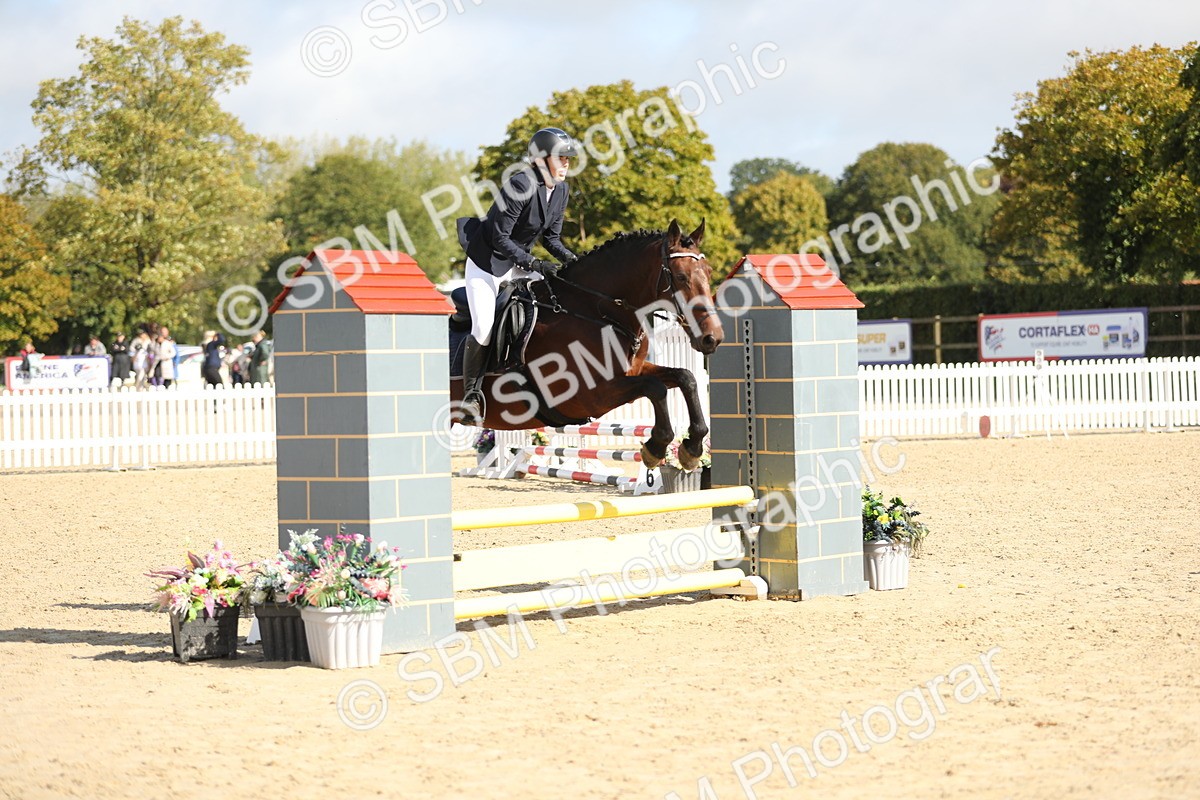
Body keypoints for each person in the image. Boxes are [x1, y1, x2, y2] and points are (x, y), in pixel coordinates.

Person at [459, 127, 580, 422]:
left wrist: (575, 261)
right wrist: (535, 264)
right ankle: (471, 397)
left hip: (518, 260)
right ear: (541, 159)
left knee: (553, 306)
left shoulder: (560, 190)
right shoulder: (520, 183)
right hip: (487, 263)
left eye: (568, 158)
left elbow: (552, 239)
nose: (567, 163)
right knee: (485, 326)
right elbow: (500, 237)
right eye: (561, 157)